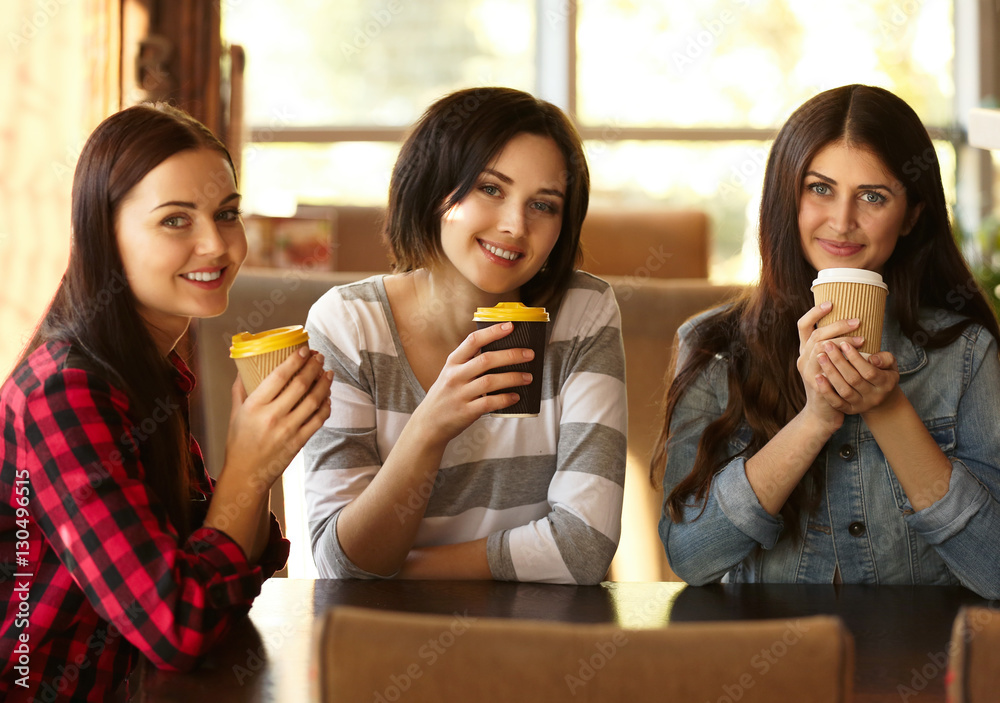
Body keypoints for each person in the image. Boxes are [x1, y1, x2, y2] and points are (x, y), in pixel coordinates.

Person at [0, 103, 332, 700]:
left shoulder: (150, 372)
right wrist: (251, 466)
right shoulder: (65, 389)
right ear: (106, 233)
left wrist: (267, 454)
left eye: (226, 213)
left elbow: (216, 578)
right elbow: (177, 625)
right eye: (176, 220)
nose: (216, 243)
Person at [652, 84, 1000, 599]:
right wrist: (815, 418)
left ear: (911, 216)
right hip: (770, 663)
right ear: (786, 198)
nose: (841, 221)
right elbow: (690, 557)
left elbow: (994, 568)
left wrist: (886, 408)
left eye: (873, 196)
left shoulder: (966, 353)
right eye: (820, 188)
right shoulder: (713, 345)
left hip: (921, 661)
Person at [303, 87, 626, 584]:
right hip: (378, 645)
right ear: (433, 187)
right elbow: (343, 558)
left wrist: (399, 572)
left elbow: (583, 547)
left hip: (537, 644)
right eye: (491, 189)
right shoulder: (348, 326)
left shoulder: (582, 312)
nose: (515, 225)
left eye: (543, 205)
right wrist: (430, 426)